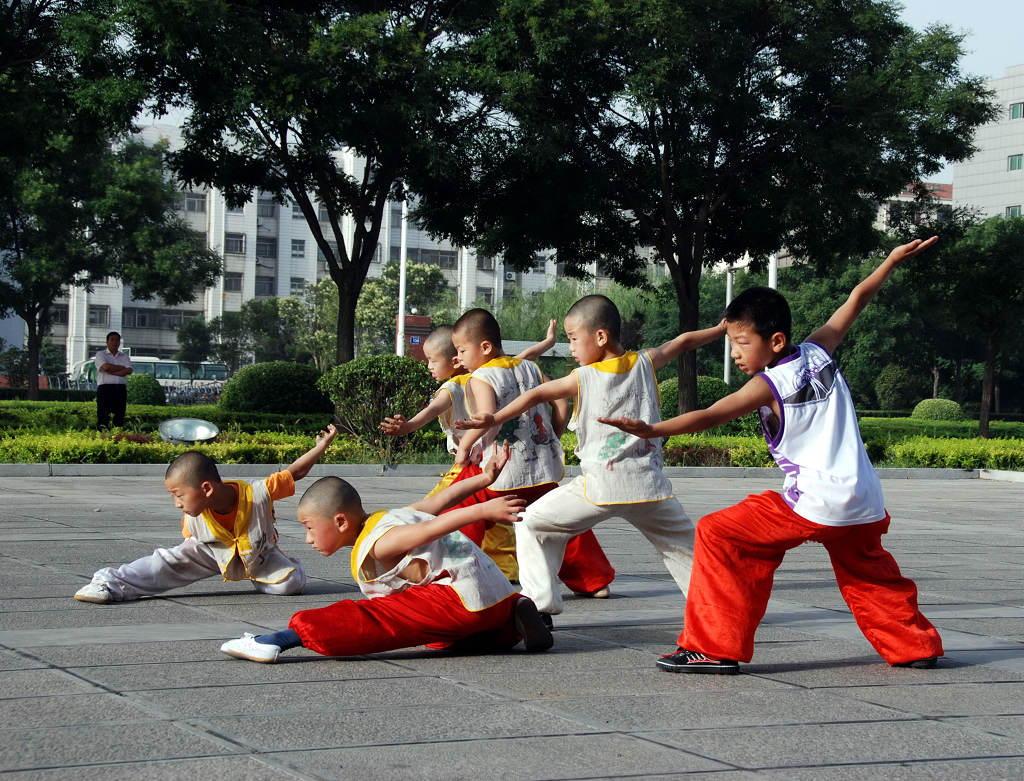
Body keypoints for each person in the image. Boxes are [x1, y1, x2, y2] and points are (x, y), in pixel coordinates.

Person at [601, 238, 945, 674]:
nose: (735, 352)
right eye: (731, 341)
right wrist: (890, 262)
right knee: (868, 572)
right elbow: (857, 298)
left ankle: (712, 647)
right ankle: (915, 646)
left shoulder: (770, 384)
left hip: (814, 502)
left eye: (742, 342)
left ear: (776, 340)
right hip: (862, 502)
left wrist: (652, 429)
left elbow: (709, 415)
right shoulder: (821, 350)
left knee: (719, 533)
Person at [457, 295, 726, 618]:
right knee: (687, 552)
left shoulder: (581, 378)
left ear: (600, 337)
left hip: (600, 488)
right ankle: (718, 610)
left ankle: (539, 603)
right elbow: (682, 342)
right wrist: (721, 329)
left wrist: (494, 418)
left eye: (573, 339)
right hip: (651, 489)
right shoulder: (645, 362)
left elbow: (535, 395)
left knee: (532, 524)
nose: (570, 348)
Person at [219, 442, 553, 663]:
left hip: (459, 600)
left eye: (309, 527)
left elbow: (430, 527)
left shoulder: (379, 542)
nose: (307, 538)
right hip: (493, 598)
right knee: (439, 640)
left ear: (339, 521)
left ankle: (279, 638)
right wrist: (483, 479)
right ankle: (517, 616)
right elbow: (440, 501)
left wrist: (482, 511)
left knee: (378, 617)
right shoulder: (389, 517)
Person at [452, 308, 615, 608]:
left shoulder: (480, 376)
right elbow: (561, 400)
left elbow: (486, 416)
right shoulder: (528, 367)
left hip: (501, 467)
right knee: (564, 521)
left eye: (462, 350)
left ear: (484, 347)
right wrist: (555, 429)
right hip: (540, 463)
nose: (459, 358)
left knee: (463, 509)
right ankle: (594, 581)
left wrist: (464, 447)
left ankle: (450, 570)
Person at [73, 425, 339, 603]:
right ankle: (108, 583)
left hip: (259, 555)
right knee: (166, 562)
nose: (176, 503)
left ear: (206, 488)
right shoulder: (193, 515)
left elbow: (295, 473)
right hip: (209, 552)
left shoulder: (259, 492)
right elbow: (185, 547)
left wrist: (320, 447)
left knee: (290, 583)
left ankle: (261, 574)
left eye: (179, 495)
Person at [381, 319, 558, 581]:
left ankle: (445, 563)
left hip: (481, 460)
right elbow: (527, 357)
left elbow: (440, 412)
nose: (428, 365)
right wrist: (549, 343)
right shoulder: (512, 368)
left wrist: (411, 427)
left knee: (448, 510)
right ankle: (511, 570)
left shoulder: (462, 383)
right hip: (527, 459)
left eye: (433, 360)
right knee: (524, 519)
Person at [95, 331, 132, 429]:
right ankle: (102, 437)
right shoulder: (101, 355)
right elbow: (105, 367)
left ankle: (117, 437)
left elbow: (128, 370)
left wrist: (112, 371)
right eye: (112, 340)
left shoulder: (124, 356)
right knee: (103, 415)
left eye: (117, 340)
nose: (115, 342)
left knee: (119, 415)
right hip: (105, 389)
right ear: (107, 342)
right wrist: (121, 368)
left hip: (120, 389)